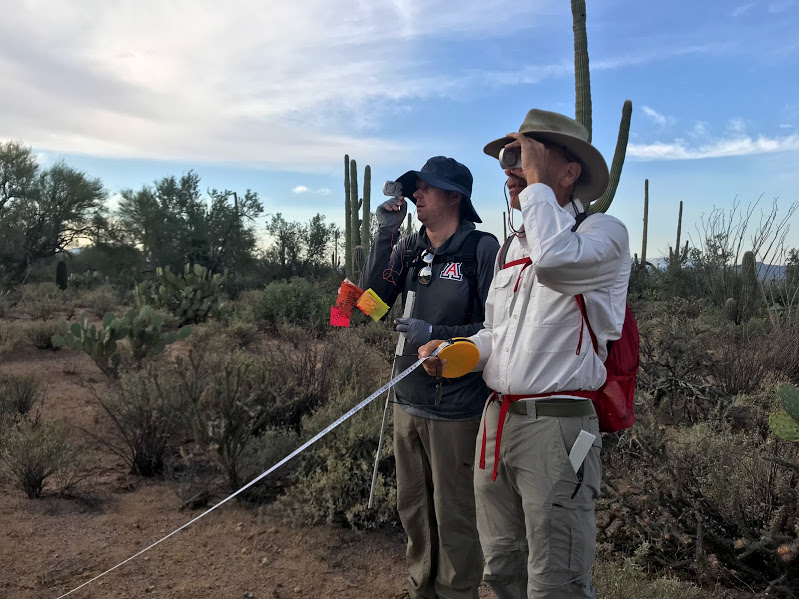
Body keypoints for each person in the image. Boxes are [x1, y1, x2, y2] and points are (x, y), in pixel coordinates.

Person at [420, 110, 631, 599]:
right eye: (508, 160)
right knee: (502, 565)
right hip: (498, 422)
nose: (511, 170)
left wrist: (534, 183)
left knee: (556, 579)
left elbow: (557, 262)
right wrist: (458, 351)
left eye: (524, 156)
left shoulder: (603, 234)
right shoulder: (512, 247)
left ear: (569, 170)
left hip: (557, 428)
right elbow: (498, 332)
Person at [360, 156, 499, 599]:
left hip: (457, 410)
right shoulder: (409, 249)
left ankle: (457, 594)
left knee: (455, 515)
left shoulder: (482, 249)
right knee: (414, 511)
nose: (415, 194)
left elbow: (499, 331)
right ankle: (420, 590)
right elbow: (369, 308)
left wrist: (436, 335)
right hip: (407, 402)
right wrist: (384, 235)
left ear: (454, 196)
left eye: (425, 188)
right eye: (413, 188)